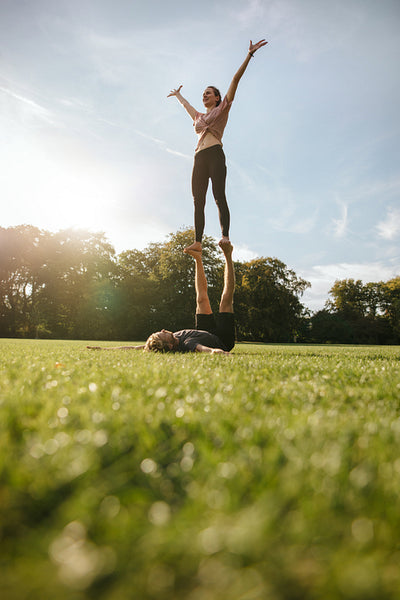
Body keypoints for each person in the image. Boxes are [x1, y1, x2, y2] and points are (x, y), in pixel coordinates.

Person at [167, 39, 267, 254]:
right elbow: (187, 107)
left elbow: (235, 80)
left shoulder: (222, 109)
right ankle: (198, 242)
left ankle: (225, 237)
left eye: (209, 92)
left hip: (215, 154)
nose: (205, 95)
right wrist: (178, 95)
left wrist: (249, 55)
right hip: (199, 157)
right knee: (198, 200)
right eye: (203, 93)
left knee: (218, 196)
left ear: (218, 97)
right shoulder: (200, 117)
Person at [87, 242, 235, 354]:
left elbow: (135, 347)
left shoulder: (172, 339)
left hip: (205, 332)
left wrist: (103, 348)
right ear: (170, 346)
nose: (163, 330)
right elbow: (204, 349)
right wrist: (216, 351)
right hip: (221, 339)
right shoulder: (187, 343)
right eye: (162, 334)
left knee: (201, 299)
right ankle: (228, 255)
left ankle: (198, 259)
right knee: (225, 299)